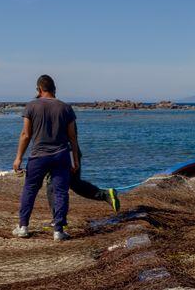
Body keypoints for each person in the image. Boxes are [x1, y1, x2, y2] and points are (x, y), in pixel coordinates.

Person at [12, 74, 78, 241]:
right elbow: (73, 137)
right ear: (54, 89)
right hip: (61, 155)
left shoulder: (31, 106)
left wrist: (18, 158)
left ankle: (23, 227)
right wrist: (75, 159)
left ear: (39, 89)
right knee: (61, 192)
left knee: (30, 190)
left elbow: (26, 135)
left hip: (38, 156)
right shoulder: (65, 108)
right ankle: (58, 230)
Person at [45, 142, 120, 214]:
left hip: (60, 151)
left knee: (53, 185)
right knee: (74, 183)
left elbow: (71, 134)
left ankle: (58, 220)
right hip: (69, 151)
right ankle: (105, 195)